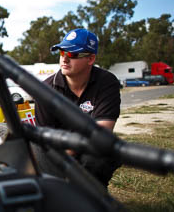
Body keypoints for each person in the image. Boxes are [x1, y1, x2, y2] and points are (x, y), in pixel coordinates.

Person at [34, 28, 121, 187]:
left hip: (89, 149)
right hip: (56, 150)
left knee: (101, 153)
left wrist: (69, 153)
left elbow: (102, 131)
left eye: (73, 54)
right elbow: (44, 140)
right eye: (61, 53)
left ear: (91, 59)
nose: (64, 59)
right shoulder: (45, 89)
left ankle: (94, 196)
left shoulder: (107, 82)